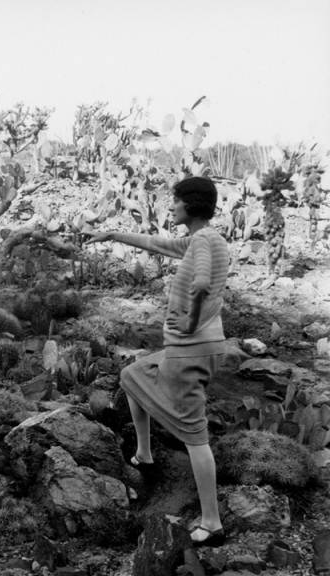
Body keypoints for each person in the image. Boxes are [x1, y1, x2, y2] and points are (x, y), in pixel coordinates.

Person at [83, 176, 229, 547]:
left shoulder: (201, 244)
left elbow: (199, 285)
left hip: (190, 350)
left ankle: (211, 522)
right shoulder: (207, 240)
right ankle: (144, 454)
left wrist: (191, 321)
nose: (171, 207)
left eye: (176, 201)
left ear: (190, 205)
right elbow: (155, 243)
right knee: (132, 374)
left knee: (196, 437)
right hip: (201, 347)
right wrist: (114, 235)